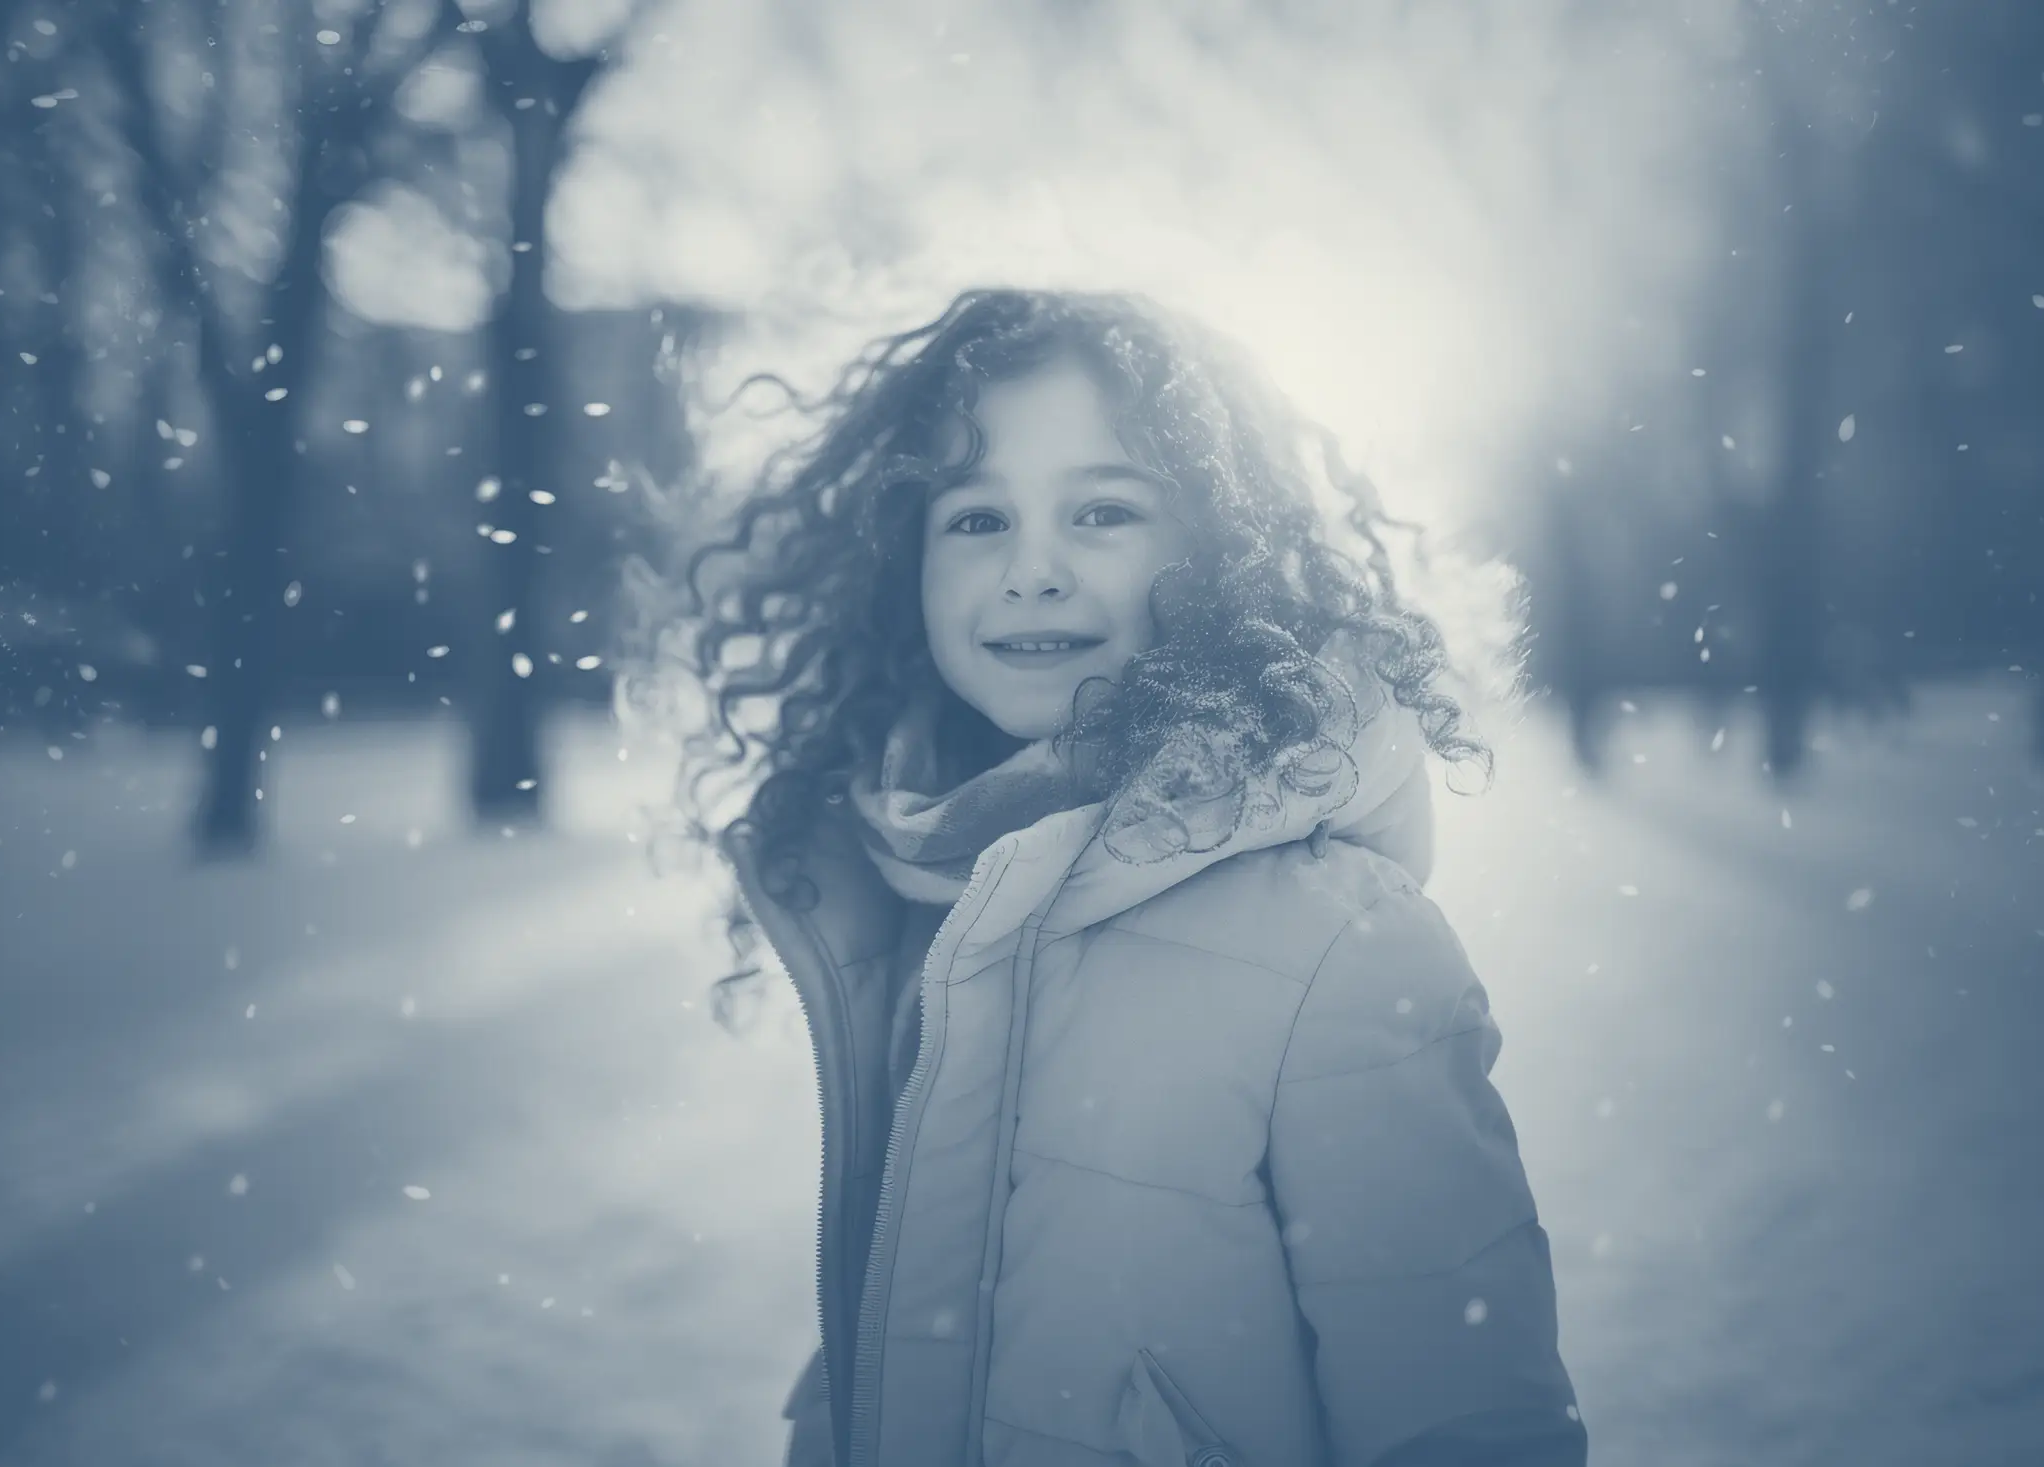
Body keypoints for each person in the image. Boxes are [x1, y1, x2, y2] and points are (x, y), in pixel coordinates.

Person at [677, 289, 1585, 1467]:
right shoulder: (926, 893)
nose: (1031, 570)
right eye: (975, 518)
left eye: (1101, 510)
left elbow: (1463, 1422)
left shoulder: (1342, 948)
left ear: (1217, 553)